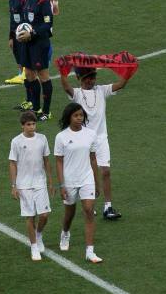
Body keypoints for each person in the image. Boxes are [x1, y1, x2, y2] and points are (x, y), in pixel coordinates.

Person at [59, 66, 131, 220]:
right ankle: (89, 203)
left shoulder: (101, 90)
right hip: (84, 140)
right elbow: (66, 87)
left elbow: (121, 84)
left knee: (105, 171)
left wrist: (129, 70)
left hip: (100, 137)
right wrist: (62, 71)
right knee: (88, 173)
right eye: (87, 78)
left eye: (93, 77)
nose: (91, 80)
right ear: (79, 78)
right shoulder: (77, 93)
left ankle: (108, 206)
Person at [54, 103, 102, 263]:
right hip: (69, 180)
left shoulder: (91, 134)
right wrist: (61, 185)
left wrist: (97, 182)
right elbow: (59, 162)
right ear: (69, 117)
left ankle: (90, 251)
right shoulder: (61, 137)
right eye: (76, 115)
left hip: (87, 178)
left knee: (89, 210)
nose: (79, 118)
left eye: (81, 115)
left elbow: (93, 159)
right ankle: (65, 233)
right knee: (70, 212)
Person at [8, 111, 54, 261]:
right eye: (28, 124)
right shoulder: (16, 141)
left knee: (45, 215)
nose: (32, 127)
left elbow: (46, 160)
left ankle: (38, 234)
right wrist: (14, 185)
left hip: (40, 182)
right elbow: (12, 163)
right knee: (30, 216)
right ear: (22, 126)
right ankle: (34, 246)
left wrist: (50, 181)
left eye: (33, 124)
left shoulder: (42, 139)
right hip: (24, 184)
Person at [17, 0, 53, 122]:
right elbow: (26, 22)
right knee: (30, 75)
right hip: (27, 44)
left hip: (40, 44)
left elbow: (48, 24)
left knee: (43, 76)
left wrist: (32, 33)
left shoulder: (43, 0)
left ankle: (46, 111)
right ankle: (36, 108)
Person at [1, 0, 27, 86]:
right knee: (17, 53)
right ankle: (21, 74)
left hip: (25, 35)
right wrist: (11, 37)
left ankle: (25, 75)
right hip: (16, 35)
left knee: (26, 55)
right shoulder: (12, 0)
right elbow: (12, 20)